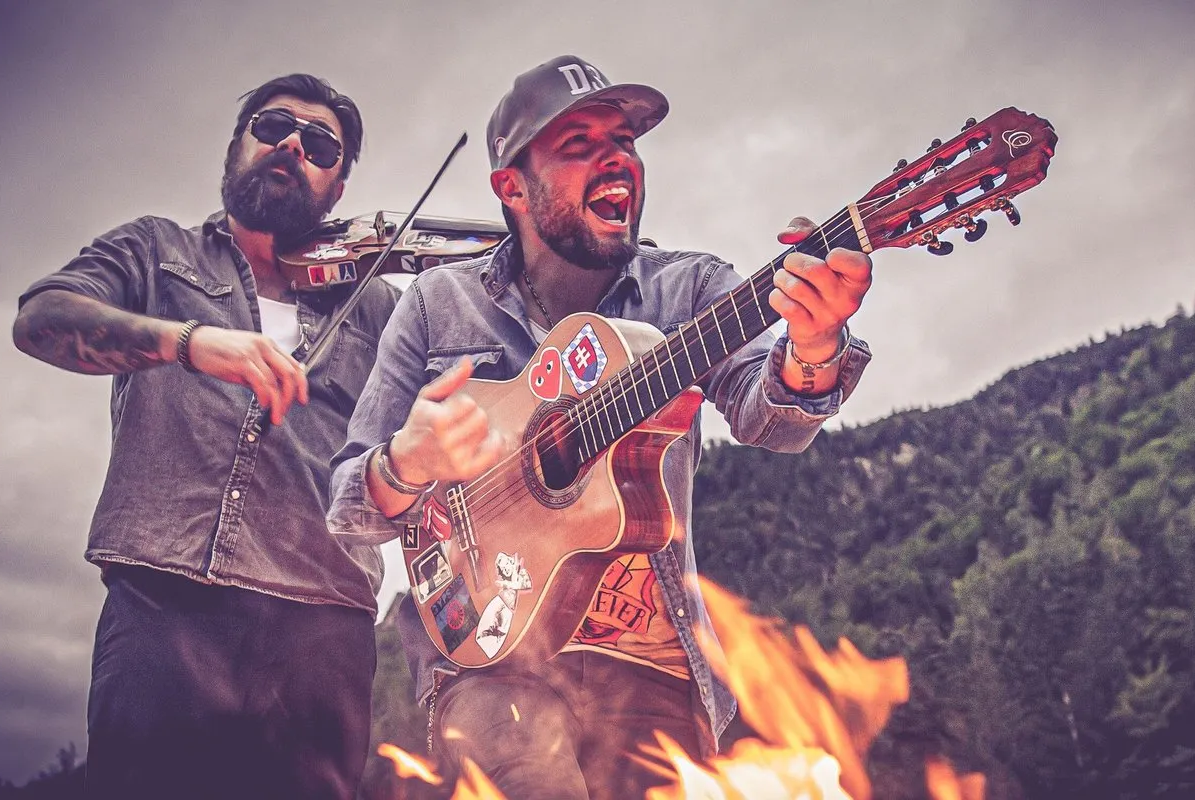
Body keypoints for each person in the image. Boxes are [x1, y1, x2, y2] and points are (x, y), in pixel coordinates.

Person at [327, 55, 875, 799]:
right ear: (511, 186)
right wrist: (405, 465)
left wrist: (813, 347)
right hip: (490, 665)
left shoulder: (692, 289)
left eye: (625, 140)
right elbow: (350, 507)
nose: (617, 157)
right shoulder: (435, 305)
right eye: (580, 143)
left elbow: (770, 417)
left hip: (657, 670)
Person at [12, 74, 397, 799]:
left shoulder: (378, 305)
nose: (290, 142)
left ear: (339, 188)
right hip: (164, 605)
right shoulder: (157, 251)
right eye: (272, 124)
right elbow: (40, 319)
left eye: (319, 144)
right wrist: (190, 342)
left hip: (324, 630)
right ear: (237, 145)